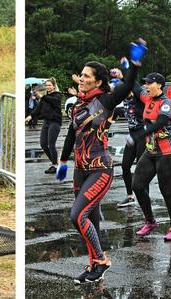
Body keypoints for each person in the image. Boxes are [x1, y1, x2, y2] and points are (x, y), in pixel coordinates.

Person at [59, 39, 145, 284]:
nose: (82, 79)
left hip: (100, 169)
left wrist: (135, 64)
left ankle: (102, 260)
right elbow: (71, 134)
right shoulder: (78, 104)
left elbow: (128, 83)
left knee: (77, 216)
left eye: (87, 76)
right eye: (81, 76)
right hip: (80, 169)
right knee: (91, 219)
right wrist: (63, 161)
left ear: (97, 81)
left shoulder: (106, 100)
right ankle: (93, 265)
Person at [131, 72, 171, 242]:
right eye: (145, 83)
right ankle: (150, 221)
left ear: (159, 85)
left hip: (167, 154)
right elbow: (135, 86)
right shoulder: (147, 99)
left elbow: (160, 123)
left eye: (149, 83)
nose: (146, 86)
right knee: (137, 186)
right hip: (151, 152)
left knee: (167, 192)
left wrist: (139, 135)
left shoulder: (166, 103)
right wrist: (127, 70)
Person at [25, 78, 63, 174]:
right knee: (43, 144)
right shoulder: (45, 98)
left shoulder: (57, 95)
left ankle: (54, 165)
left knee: (51, 144)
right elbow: (38, 109)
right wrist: (30, 116)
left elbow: (54, 101)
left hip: (55, 122)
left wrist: (42, 96)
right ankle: (55, 163)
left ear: (54, 86)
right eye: (46, 85)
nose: (47, 87)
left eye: (49, 85)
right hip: (46, 122)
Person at [116, 90, 147, 207]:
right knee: (125, 166)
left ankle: (145, 198)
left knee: (141, 168)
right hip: (131, 135)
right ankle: (130, 197)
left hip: (142, 135)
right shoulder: (123, 101)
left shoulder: (138, 100)